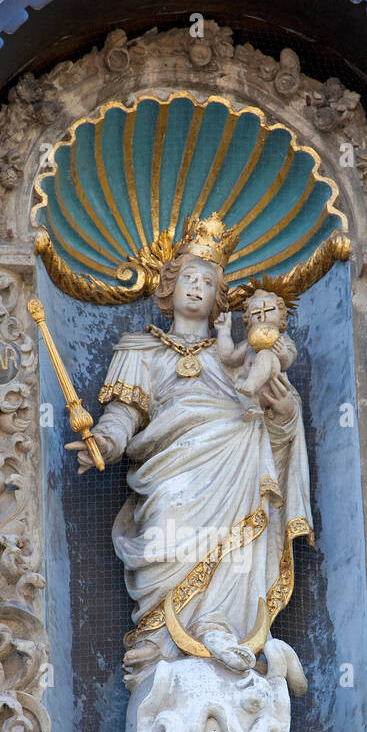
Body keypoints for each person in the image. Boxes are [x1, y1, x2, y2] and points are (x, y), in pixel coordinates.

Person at [66, 216, 313, 679]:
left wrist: (283, 414)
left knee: (241, 510)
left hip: (235, 460)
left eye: (208, 281)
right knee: (168, 525)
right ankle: (157, 639)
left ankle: (220, 623)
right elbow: (124, 413)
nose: (197, 288)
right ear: (169, 284)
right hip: (171, 469)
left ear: (219, 296)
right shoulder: (140, 350)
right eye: (189, 278)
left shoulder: (232, 355)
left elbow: (274, 421)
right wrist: (105, 441)